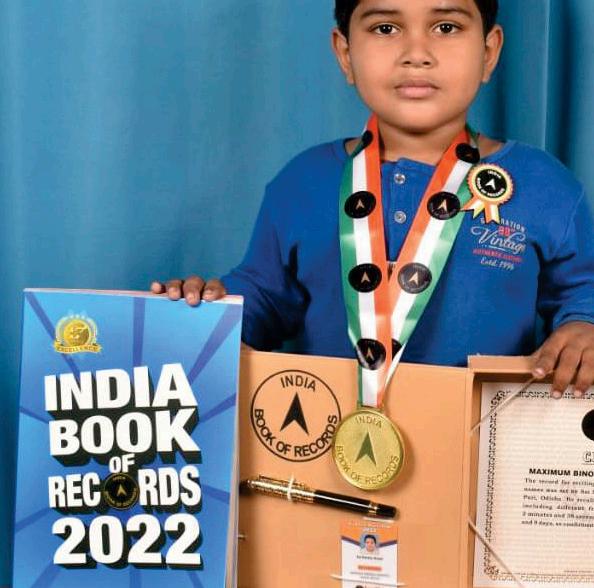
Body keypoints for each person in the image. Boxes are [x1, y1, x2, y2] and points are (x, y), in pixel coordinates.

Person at [152, 0, 594, 398]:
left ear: (489, 52)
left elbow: (582, 292)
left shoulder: (545, 185)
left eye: (446, 27)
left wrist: (583, 327)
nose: (416, 53)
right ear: (345, 54)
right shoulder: (302, 181)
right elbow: (264, 298)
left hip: (481, 448)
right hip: (324, 444)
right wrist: (203, 312)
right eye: (385, 28)